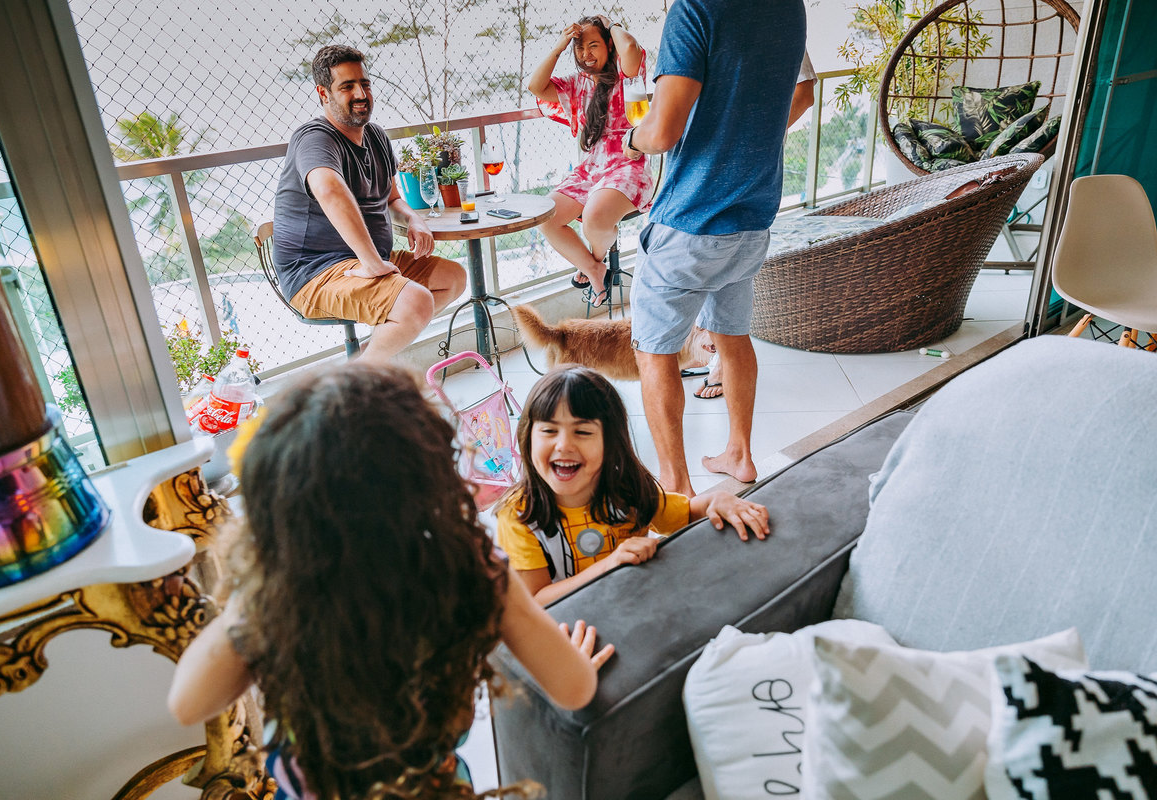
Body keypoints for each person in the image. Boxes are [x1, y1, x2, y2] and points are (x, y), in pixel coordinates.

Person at [167, 362, 613, 799]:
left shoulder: (278, 596)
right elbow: (575, 689)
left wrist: (268, 575)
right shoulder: (474, 568)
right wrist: (569, 659)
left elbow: (189, 704)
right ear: (432, 477)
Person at [622, 0, 807, 493]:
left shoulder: (696, 10)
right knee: (732, 334)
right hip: (754, 214)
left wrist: (629, 140)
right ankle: (739, 455)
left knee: (655, 351)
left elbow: (661, 130)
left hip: (692, 219)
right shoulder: (788, 8)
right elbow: (798, 94)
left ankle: (676, 485)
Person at [496, 365, 771, 604]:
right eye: (549, 431)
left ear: (611, 443)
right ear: (528, 437)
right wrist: (610, 565)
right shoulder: (520, 514)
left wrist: (716, 500)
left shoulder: (627, 489)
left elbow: (684, 513)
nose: (564, 445)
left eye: (582, 432)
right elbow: (538, 601)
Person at [273, 45, 467, 363]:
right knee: (415, 302)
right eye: (347, 86)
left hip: (372, 259)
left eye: (364, 83)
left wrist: (413, 218)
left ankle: (362, 363)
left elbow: (391, 196)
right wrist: (372, 263)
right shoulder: (314, 138)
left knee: (453, 278)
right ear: (324, 94)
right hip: (317, 273)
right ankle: (362, 385)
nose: (361, 93)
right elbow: (330, 190)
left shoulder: (375, 135)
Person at [694, 50, 818, 400]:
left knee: (730, 258)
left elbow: (804, 92)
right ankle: (713, 347)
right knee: (721, 260)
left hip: (742, 170)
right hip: (709, 163)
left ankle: (719, 355)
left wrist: (757, 142)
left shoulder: (779, 18)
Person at [528, 16, 652, 308]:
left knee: (595, 219)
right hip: (589, 171)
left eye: (594, 45)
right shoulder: (576, 84)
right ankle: (597, 271)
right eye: (580, 48)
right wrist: (560, 45)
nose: (586, 54)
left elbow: (631, 46)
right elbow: (535, 85)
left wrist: (612, 26)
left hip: (628, 164)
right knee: (547, 217)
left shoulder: (627, 72)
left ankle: (592, 261)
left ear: (609, 45)